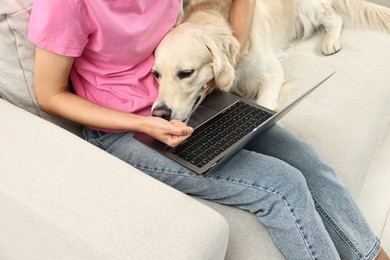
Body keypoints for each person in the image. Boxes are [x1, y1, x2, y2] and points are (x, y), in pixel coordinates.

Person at [29, 0, 389, 259]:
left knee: (308, 161)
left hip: (189, 103)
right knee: (283, 186)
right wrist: (141, 122)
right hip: (123, 130)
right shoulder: (64, 4)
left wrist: (223, 66)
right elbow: (49, 94)